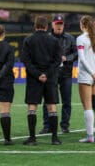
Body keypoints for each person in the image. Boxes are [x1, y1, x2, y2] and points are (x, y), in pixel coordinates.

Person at [22, 15, 62, 145]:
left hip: (34, 79)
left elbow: (26, 60)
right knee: (51, 106)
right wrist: (46, 73)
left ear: (35, 26)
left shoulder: (28, 40)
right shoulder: (54, 41)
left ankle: (32, 138)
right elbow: (57, 60)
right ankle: (54, 138)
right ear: (47, 26)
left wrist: (38, 74)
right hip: (50, 78)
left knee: (32, 107)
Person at [39, 15, 77, 134]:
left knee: (67, 100)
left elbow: (76, 53)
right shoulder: (47, 38)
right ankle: (47, 125)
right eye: (57, 24)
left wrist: (67, 58)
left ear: (63, 25)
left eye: (61, 24)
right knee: (48, 100)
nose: (59, 26)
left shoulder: (70, 38)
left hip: (66, 73)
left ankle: (65, 125)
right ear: (52, 25)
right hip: (52, 74)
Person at [77, 15, 95, 143]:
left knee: (87, 106)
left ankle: (90, 136)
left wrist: (92, 73)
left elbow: (82, 59)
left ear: (82, 24)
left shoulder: (81, 39)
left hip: (86, 75)